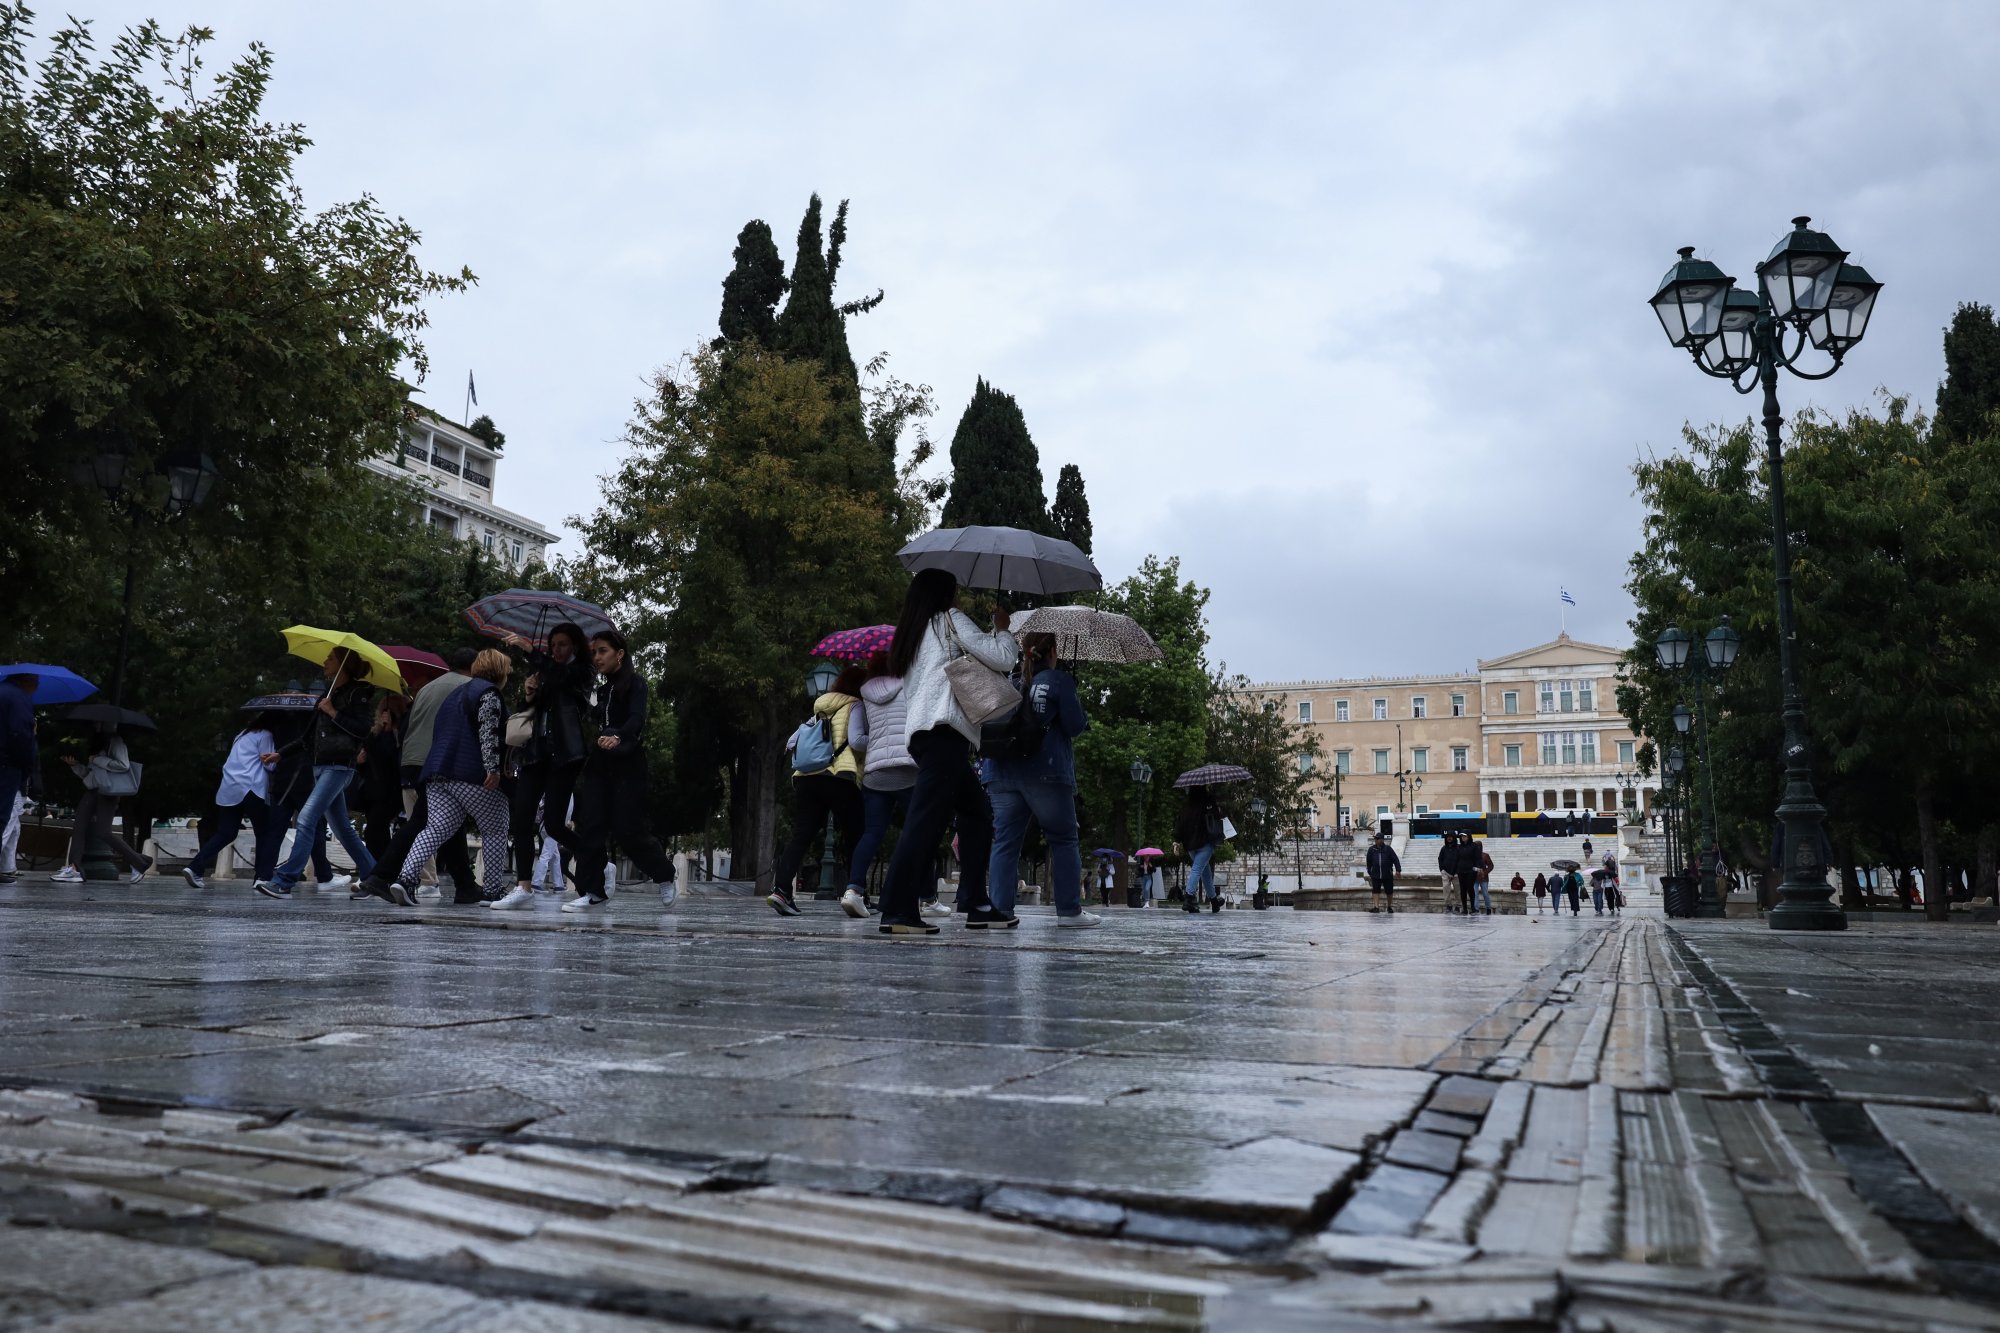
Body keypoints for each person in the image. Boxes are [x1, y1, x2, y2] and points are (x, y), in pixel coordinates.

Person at [873, 568, 1018, 935]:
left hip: (927, 733)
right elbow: (1003, 659)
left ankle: (975, 902)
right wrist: (1002, 627)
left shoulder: (913, 632)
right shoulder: (949, 620)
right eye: (955, 592)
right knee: (925, 821)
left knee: (976, 811)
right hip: (946, 732)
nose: (959, 599)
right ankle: (897, 910)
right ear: (944, 595)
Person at [382, 650, 513, 907]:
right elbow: (488, 732)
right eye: (507, 670)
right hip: (469, 773)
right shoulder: (488, 694)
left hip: (437, 772)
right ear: (499, 671)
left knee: (435, 828)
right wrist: (492, 769)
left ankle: (406, 879)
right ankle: (493, 890)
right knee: (496, 826)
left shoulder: (455, 694)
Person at [983, 632, 1095, 928]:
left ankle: (1001, 911)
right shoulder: (1058, 681)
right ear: (1053, 652)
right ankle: (1070, 912)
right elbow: (1072, 726)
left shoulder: (1008, 681)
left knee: (1005, 842)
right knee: (1064, 838)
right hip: (1045, 771)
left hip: (1001, 772)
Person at [565, 630, 678, 913]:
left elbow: (636, 719)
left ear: (620, 653)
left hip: (628, 764)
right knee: (590, 826)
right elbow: (588, 717)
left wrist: (618, 735)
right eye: (594, 652)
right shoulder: (600, 691)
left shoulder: (636, 684)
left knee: (629, 830)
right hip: (600, 765)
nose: (597, 657)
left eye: (602, 651)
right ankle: (593, 891)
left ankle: (664, 874)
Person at [359, 649, 478, 904]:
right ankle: (381, 876)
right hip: (438, 760)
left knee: (449, 821)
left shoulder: (428, 688)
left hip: (413, 758)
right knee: (422, 820)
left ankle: (465, 885)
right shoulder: (470, 687)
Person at [262, 650, 377, 899]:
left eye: (331, 659)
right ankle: (374, 877)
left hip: (339, 766)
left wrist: (334, 712)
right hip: (320, 766)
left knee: (305, 819)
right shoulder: (328, 694)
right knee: (343, 829)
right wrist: (280, 754)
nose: (325, 662)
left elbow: (363, 730)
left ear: (344, 665)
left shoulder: (358, 694)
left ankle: (284, 881)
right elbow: (308, 738)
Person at [843, 652, 940, 918]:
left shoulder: (863, 697)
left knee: (872, 833)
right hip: (908, 769)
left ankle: (853, 890)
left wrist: (877, 742)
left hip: (875, 772)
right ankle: (928, 898)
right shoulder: (909, 686)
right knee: (922, 831)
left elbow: (857, 740)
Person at [768, 664, 866, 918]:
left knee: (802, 835)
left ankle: (781, 890)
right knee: (856, 836)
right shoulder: (855, 705)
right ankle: (856, 893)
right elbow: (855, 740)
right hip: (839, 776)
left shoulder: (819, 710)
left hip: (806, 778)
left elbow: (792, 742)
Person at [501, 623, 589, 906]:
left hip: (564, 755)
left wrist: (532, 651)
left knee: (554, 825)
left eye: (562, 644)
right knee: (522, 818)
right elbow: (528, 714)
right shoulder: (546, 671)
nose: (556, 650)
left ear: (574, 646)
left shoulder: (581, 672)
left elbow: (565, 680)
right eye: (552, 646)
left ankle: (594, 858)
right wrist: (529, 693)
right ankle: (523, 886)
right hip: (535, 753)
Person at [180, 714, 280, 889]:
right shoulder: (265, 735)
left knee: (226, 833)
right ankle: (262, 877)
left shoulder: (241, 735)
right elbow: (269, 764)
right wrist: (280, 758)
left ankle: (195, 867)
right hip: (251, 787)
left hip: (230, 788)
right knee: (264, 833)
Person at [53, 726, 152, 883]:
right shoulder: (97, 743)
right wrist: (74, 766)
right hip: (94, 790)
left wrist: (97, 759)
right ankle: (74, 869)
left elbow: (123, 765)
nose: (96, 724)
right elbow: (91, 775)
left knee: (103, 832)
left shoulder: (115, 741)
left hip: (109, 792)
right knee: (79, 826)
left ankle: (139, 863)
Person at [359, 695, 408, 865]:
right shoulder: (374, 734)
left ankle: (382, 867)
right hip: (373, 790)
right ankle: (379, 867)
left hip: (390, 791)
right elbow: (371, 759)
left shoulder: (399, 734)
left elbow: (390, 759)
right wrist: (360, 761)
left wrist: (389, 733)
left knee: (374, 830)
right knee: (375, 832)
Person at [0, 673, 37, 882]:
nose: (37, 688)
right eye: (35, 683)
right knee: (3, 818)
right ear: (26, 681)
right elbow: (20, 735)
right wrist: (26, 766)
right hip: (6, 765)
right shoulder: (18, 698)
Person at [1175, 784, 1224, 914]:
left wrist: (1176, 841)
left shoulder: (1186, 807)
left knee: (1205, 872)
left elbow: (1179, 824)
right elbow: (1216, 817)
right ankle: (1189, 897)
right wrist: (1212, 798)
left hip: (1190, 846)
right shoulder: (1207, 802)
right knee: (1197, 869)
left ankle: (1214, 901)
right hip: (1205, 843)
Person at [1366, 833, 1401, 912]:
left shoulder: (1388, 849)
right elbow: (1368, 862)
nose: (1376, 840)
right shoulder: (1371, 849)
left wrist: (1398, 870)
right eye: (1376, 839)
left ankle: (1389, 907)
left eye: (1378, 839)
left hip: (1387, 874)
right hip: (1375, 874)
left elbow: (1395, 859)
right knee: (1375, 890)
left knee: (1389, 891)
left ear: (1382, 840)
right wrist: (1369, 871)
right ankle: (1376, 907)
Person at [1437, 832, 1462, 912]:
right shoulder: (1443, 848)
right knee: (1446, 889)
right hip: (1445, 873)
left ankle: (1458, 906)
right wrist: (1442, 870)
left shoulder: (1459, 848)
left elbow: (1460, 860)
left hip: (1456, 873)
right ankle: (1448, 905)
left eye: (1451, 837)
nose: (1449, 838)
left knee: (1458, 890)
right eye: (1448, 837)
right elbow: (1440, 859)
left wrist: (1456, 872)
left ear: (1454, 838)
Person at [1470, 838, 1494, 915]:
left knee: (1485, 893)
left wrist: (1485, 872)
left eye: (1478, 846)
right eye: (1476, 846)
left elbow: (1491, 865)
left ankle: (1488, 908)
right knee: (1475, 893)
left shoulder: (1485, 855)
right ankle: (1476, 909)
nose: (1477, 847)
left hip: (1483, 878)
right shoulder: (1471, 856)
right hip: (1474, 877)